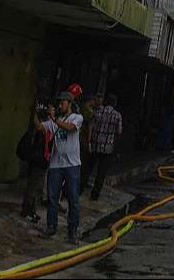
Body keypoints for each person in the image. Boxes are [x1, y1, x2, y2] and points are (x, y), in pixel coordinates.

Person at [40, 91, 82, 241]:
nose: (60, 105)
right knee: (52, 198)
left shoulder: (77, 118)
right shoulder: (54, 121)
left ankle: (72, 232)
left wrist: (55, 119)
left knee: (73, 199)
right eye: (59, 103)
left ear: (69, 104)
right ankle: (51, 227)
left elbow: (70, 128)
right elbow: (41, 128)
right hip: (56, 164)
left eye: (62, 102)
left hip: (72, 165)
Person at [82, 94, 122, 201]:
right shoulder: (117, 116)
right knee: (101, 173)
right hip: (108, 149)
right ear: (114, 104)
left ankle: (80, 189)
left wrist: (89, 142)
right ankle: (95, 195)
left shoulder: (97, 112)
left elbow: (91, 126)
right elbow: (119, 132)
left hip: (95, 146)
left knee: (88, 169)